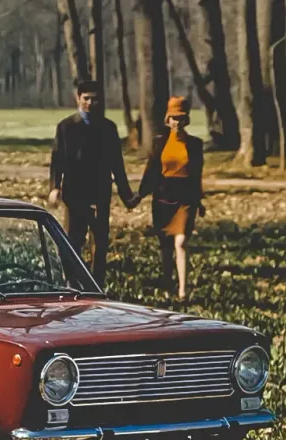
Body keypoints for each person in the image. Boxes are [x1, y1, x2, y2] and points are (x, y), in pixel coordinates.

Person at [48, 80, 139, 289]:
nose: (90, 103)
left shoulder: (108, 128)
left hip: (99, 192)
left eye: (94, 99)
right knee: (72, 241)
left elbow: (117, 164)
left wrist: (126, 194)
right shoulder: (66, 127)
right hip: (74, 193)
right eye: (86, 98)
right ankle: (73, 282)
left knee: (100, 242)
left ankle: (96, 285)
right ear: (78, 98)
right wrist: (55, 187)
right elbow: (57, 160)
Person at [137, 96, 205, 300]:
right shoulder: (160, 143)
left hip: (186, 199)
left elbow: (197, 174)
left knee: (181, 242)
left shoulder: (195, 144)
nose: (178, 122)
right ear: (168, 119)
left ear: (187, 120)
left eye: (182, 118)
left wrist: (199, 200)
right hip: (163, 197)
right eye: (174, 118)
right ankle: (168, 287)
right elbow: (151, 171)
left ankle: (183, 290)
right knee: (166, 245)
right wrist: (139, 195)